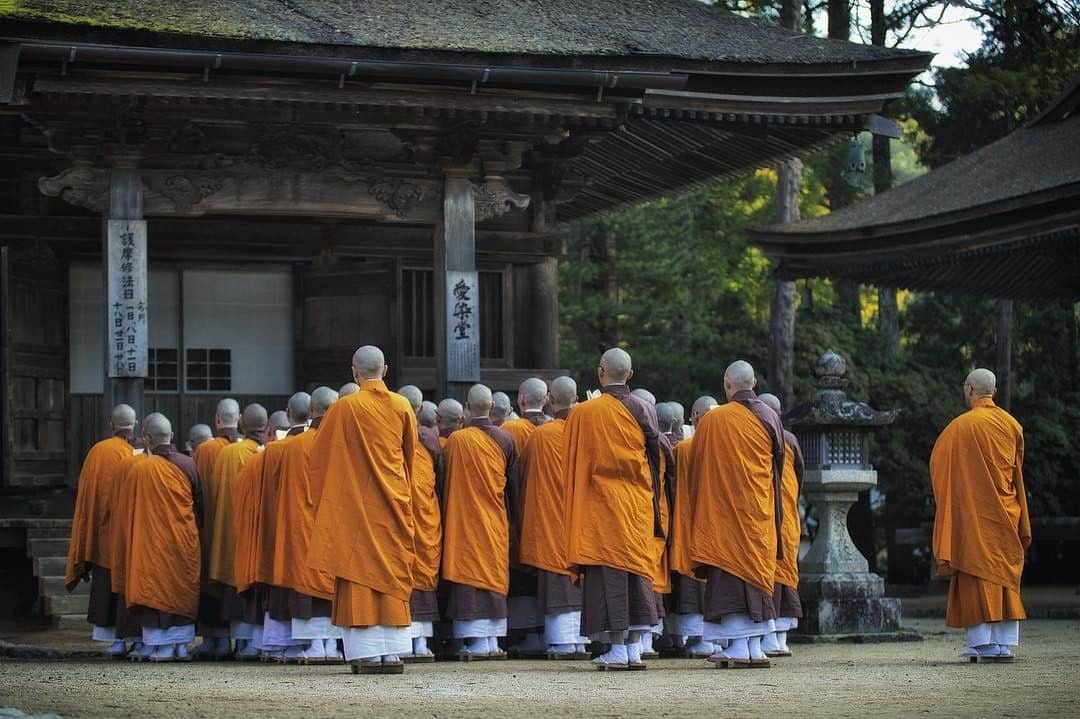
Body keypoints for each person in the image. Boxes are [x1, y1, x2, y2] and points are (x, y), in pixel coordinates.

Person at [308, 346, 417, 675]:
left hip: (355, 507)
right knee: (391, 569)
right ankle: (393, 653)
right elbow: (410, 458)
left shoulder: (344, 408)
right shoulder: (402, 406)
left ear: (354, 372)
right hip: (392, 503)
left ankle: (367, 654)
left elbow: (319, 459)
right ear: (385, 370)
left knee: (358, 571)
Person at [564, 348, 663, 670]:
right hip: (635, 505)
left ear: (600, 373)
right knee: (635, 573)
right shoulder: (644, 409)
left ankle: (618, 648)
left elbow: (573, 463)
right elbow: (659, 456)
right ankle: (633, 648)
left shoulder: (583, 413)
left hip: (602, 507)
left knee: (610, 576)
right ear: (630, 375)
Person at [931, 368, 1030, 663]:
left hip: (974, 514)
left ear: (970, 389)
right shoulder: (1013, 425)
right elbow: (1016, 472)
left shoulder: (960, 427)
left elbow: (938, 464)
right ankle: (1003, 643)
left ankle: (982, 644)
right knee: (1002, 574)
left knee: (976, 573)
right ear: (994, 391)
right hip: (1005, 512)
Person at [689, 361, 784, 669]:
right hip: (758, 509)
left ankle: (741, 647)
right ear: (754, 382)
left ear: (727, 384)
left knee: (731, 574)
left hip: (727, 512)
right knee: (754, 570)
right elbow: (778, 466)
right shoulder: (770, 415)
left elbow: (698, 466)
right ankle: (755, 646)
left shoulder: (715, 421)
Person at [113, 413, 203, 662]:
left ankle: (158, 644)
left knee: (154, 588)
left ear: (147, 439)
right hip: (184, 542)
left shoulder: (137, 469)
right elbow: (200, 504)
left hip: (150, 543)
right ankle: (181, 645)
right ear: (172, 436)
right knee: (181, 589)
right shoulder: (189, 464)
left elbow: (126, 511)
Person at [441, 383, 518, 660]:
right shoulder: (506, 439)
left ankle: (474, 639)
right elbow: (513, 486)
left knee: (469, 576)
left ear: (467, 408)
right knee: (493, 576)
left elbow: (443, 481)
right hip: (495, 518)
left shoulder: (457, 441)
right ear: (493, 408)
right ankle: (493, 640)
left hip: (465, 520)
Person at [518, 376, 589, 659]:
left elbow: (525, 479)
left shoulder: (540, 436)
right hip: (583, 520)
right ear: (576, 399)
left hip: (550, 519)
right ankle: (583, 639)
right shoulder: (590, 432)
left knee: (557, 577)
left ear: (550, 400)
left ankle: (561, 641)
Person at [271, 387, 343, 663]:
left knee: (307, 578)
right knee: (333, 580)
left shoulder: (292, 447)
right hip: (334, 526)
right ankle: (333, 645)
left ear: (311, 411)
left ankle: (313, 644)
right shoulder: (343, 443)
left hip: (302, 527)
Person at [65, 404, 142, 657]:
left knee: (105, 582)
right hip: (125, 536)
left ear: (111, 425)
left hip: (100, 535)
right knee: (123, 585)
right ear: (136, 425)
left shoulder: (96, 452)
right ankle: (128, 638)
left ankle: (115, 642)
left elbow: (87, 497)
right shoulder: (134, 455)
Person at [243, 392, 311, 662]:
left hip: (277, 529)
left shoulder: (270, 453)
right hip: (314, 531)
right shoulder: (325, 445)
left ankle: (277, 640)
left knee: (281, 581)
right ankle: (319, 643)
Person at [207, 403, 268, 659]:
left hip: (229, 534)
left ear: (242, 423)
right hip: (258, 535)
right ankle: (253, 642)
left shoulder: (227, 454)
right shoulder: (266, 453)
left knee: (234, 586)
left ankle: (239, 642)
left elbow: (212, 494)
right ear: (267, 428)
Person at [498, 378, 550, 655]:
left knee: (519, 571)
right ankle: (549, 631)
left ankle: (523, 633)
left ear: (520, 400)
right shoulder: (561, 429)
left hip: (518, 512)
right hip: (554, 515)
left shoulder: (509, 429)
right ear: (548, 399)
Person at [665, 396, 718, 658]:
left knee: (689, 579)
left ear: (695, 416)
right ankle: (713, 638)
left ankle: (695, 636)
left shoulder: (684, 450)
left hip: (687, 521)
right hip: (718, 524)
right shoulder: (726, 446)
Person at [397, 385, 445, 662]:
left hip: (401, 510)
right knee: (422, 567)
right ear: (420, 409)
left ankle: (405, 640)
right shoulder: (428, 437)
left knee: (403, 570)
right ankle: (422, 642)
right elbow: (439, 473)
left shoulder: (397, 433)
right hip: (424, 511)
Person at [758, 393, 805, 658]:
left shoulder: (766, 436)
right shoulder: (789, 439)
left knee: (774, 571)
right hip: (786, 512)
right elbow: (799, 473)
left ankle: (771, 635)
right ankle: (779, 638)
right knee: (782, 570)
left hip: (771, 511)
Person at [193, 398, 240, 655]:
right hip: (239, 532)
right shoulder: (249, 449)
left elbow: (197, 493)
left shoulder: (206, 450)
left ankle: (215, 639)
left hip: (211, 529)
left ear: (217, 419)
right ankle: (240, 639)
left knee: (211, 581)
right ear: (239, 418)